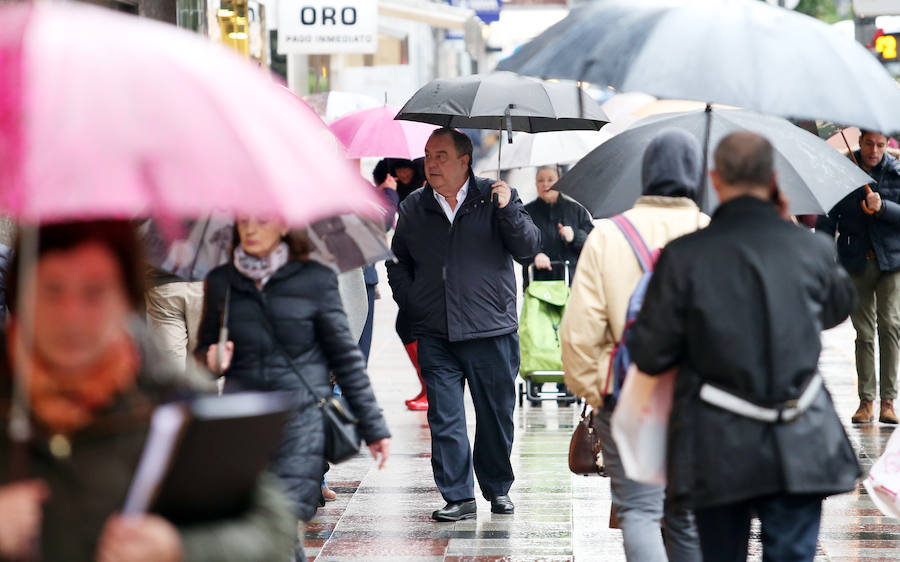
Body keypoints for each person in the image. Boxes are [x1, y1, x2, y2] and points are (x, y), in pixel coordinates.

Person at [0, 220, 297, 562]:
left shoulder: (176, 398)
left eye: (94, 293)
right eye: (51, 291)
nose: (72, 316)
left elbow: (272, 530)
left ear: (126, 299)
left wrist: (179, 547)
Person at [629, 132, 861, 561]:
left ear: (715, 180)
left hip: (716, 442)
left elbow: (649, 352)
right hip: (801, 435)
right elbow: (837, 309)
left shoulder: (684, 257)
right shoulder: (810, 249)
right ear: (774, 179)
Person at [195, 216, 391, 562]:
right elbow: (203, 355)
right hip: (243, 426)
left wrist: (374, 426)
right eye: (244, 222)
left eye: (261, 221)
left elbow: (345, 357)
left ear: (284, 226)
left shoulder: (315, 279)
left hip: (300, 424)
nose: (251, 229)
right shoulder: (222, 281)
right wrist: (210, 360)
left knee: (282, 520)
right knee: (263, 528)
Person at [560, 129, 707, 562]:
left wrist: (601, 394)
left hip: (627, 396)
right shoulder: (713, 232)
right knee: (685, 515)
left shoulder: (607, 235)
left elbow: (577, 336)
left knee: (640, 511)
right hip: (698, 399)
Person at [387, 128, 541, 521]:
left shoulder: (495, 196)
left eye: (440, 155)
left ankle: (497, 488)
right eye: (427, 155)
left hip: (490, 328)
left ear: (464, 161)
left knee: (495, 416)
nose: (430, 163)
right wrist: (412, 300)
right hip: (436, 330)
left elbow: (528, 248)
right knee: (445, 416)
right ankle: (458, 495)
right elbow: (398, 261)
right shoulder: (414, 206)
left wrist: (507, 209)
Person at [816, 129, 900, 424]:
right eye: (868, 144)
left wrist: (883, 207)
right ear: (860, 142)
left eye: (880, 145)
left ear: (887, 145)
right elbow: (828, 218)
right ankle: (867, 401)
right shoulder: (842, 172)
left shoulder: (896, 173)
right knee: (864, 333)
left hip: (891, 261)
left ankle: (888, 401)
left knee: (889, 325)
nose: (874, 150)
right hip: (855, 261)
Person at [139, 216, 233, 370]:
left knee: (172, 366)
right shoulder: (221, 200)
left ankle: (177, 391)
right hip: (208, 285)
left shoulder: (159, 196)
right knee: (207, 364)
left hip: (163, 284)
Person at [389, 158, 430, 411]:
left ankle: (429, 388)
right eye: (397, 168)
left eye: (406, 168)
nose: (402, 173)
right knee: (406, 326)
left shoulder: (424, 190)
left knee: (410, 327)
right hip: (410, 268)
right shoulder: (398, 190)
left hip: (423, 272)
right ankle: (426, 387)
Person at [524, 165, 594, 283]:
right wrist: (535, 256)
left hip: (572, 283)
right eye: (540, 180)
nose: (545, 184)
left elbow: (592, 245)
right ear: (536, 184)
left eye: (550, 180)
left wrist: (575, 236)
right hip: (538, 284)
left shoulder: (577, 211)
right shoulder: (525, 213)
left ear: (560, 182)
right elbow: (517, 244)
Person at [359, 160, 400, 363]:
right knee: (357, 348)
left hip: (362, 276)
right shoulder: (350, 185)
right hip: (358, 276)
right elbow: (382, 220)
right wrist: (390, 194)